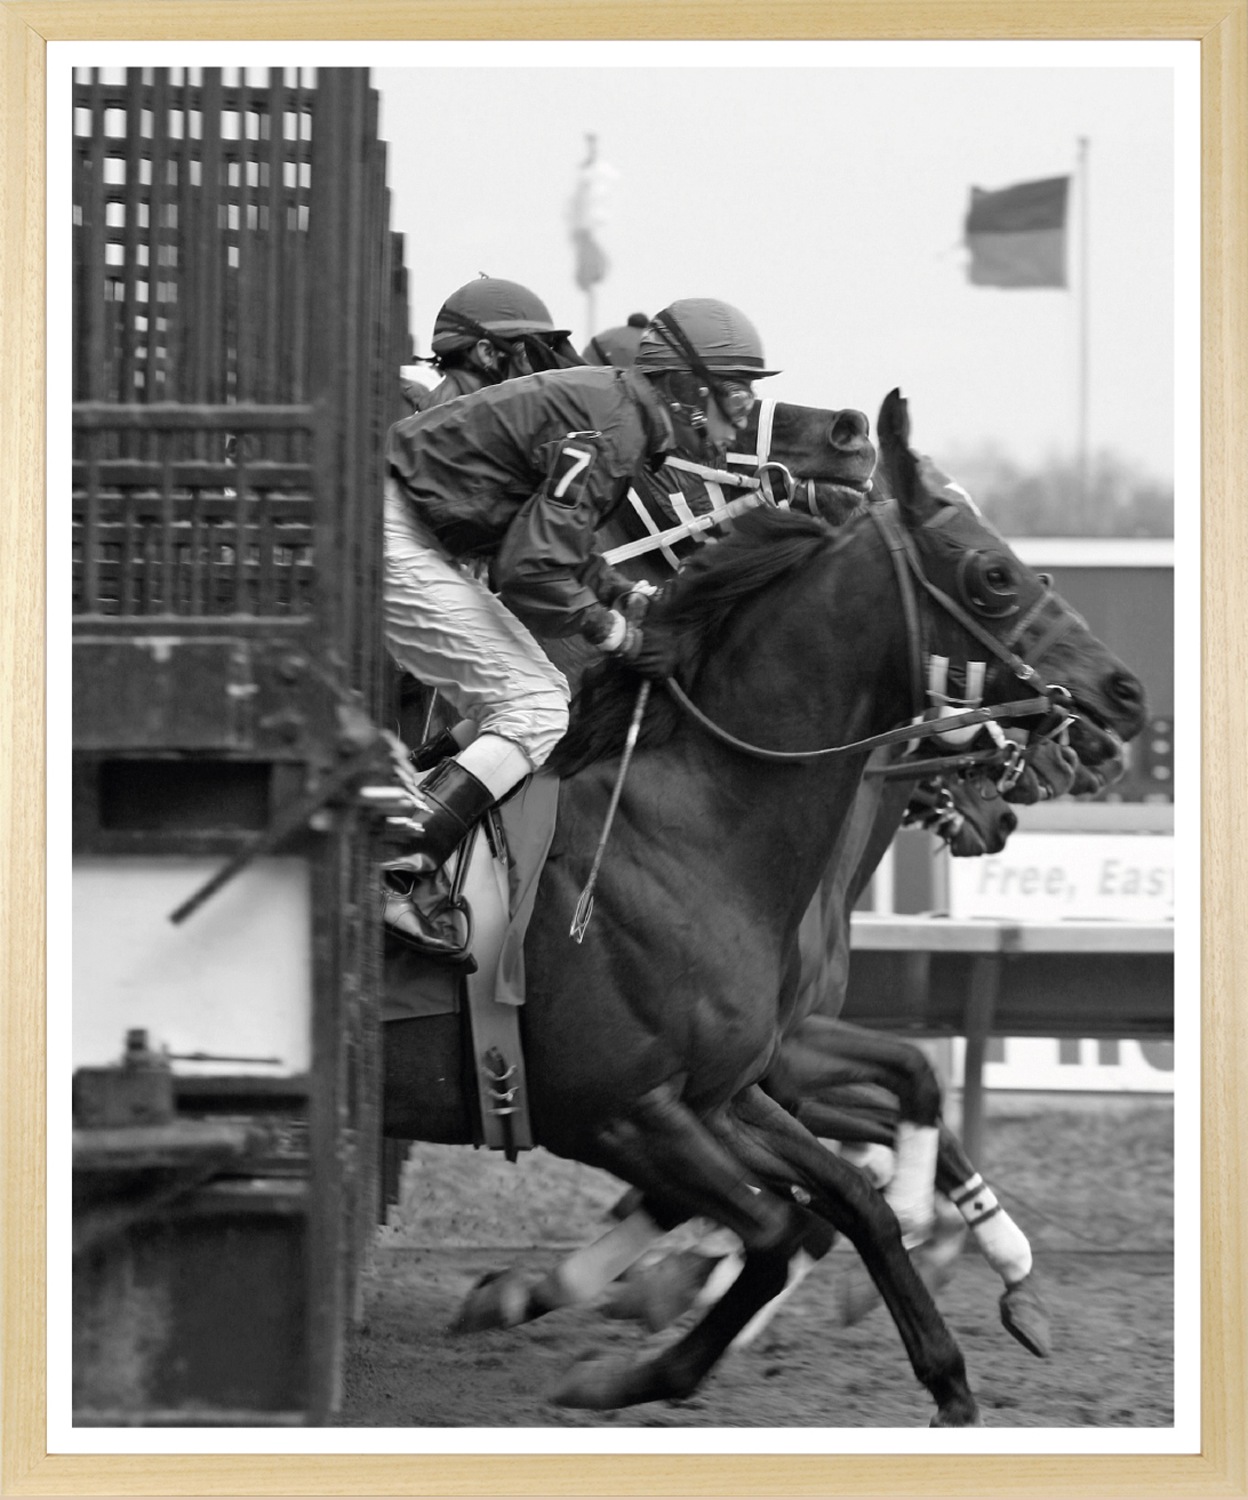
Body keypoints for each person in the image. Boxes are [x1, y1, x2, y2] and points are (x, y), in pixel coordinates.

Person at [380, 296, 779, 910]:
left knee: (540, 691)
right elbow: (531, 571)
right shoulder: (616, 425)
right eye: (736, 389)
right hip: (395, 528)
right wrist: (616, 634)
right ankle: (393, 875)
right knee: (535, 706)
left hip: (408, 526)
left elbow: (552, 540)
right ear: (682, 388)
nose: (744, 407)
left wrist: (620, 595)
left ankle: (419, 802)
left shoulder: (620, 410)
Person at [407, 275, 583, 413]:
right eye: (530, 357)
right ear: (488, 353)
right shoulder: (417, 394)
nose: (540, 373)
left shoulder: (499, 421)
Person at [581, 312, 649, 369]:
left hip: (596, 375)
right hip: (635, 379)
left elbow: (586, 359)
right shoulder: (650, 338)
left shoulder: (606, 335)